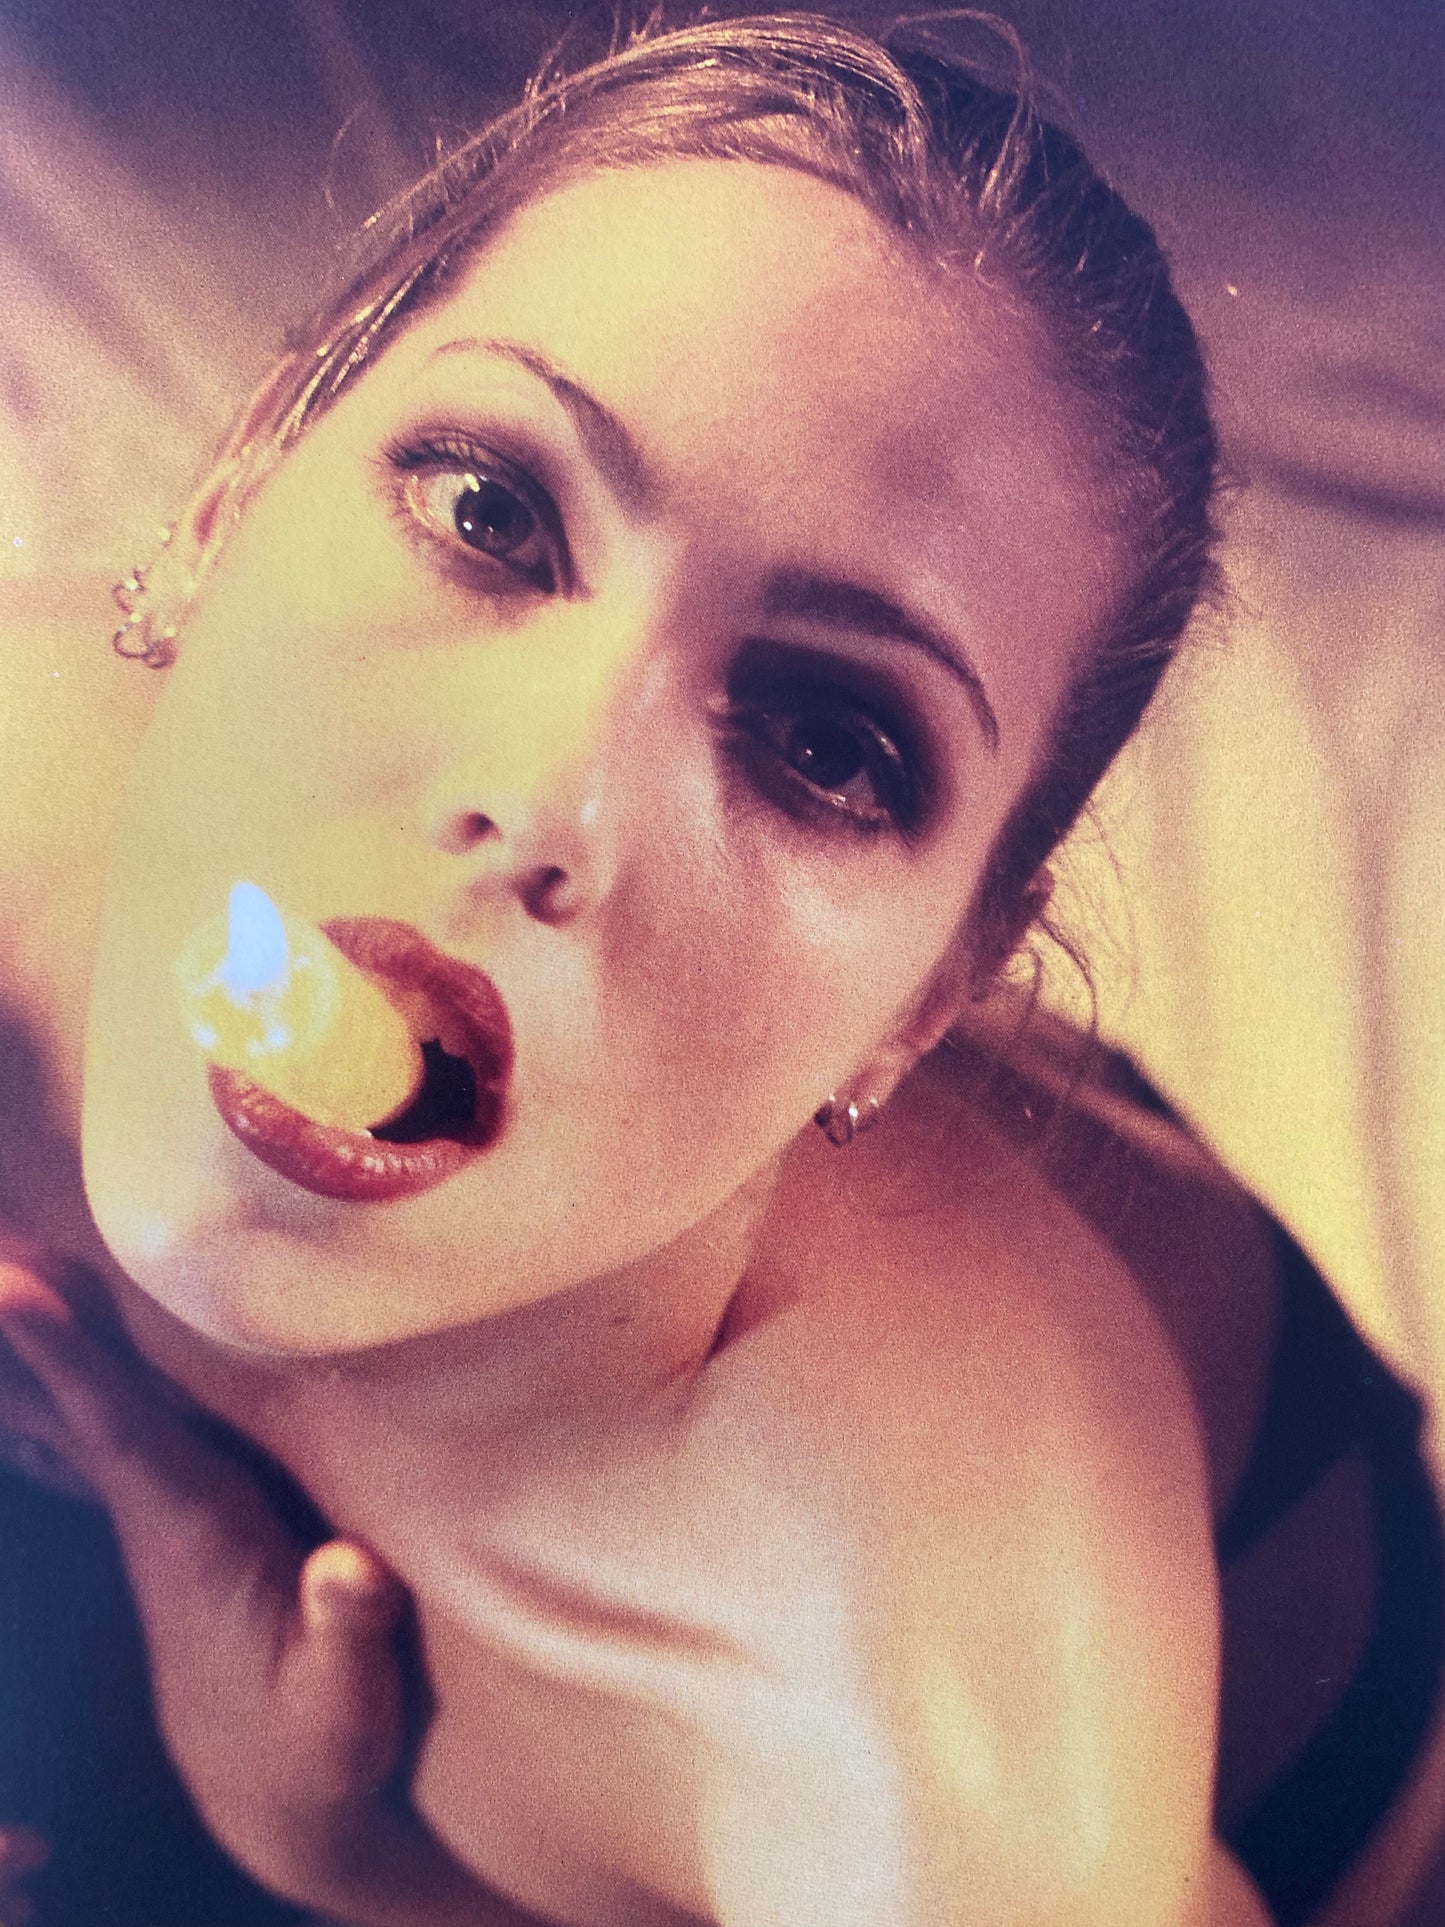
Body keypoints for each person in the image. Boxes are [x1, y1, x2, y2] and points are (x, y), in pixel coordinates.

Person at [0, 12, 1439, 1926]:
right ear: (236, 484)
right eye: (492, 514)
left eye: (829, 744)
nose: (543, 794)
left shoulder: (912, 1719)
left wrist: (351, 1861)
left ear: (925, 997)